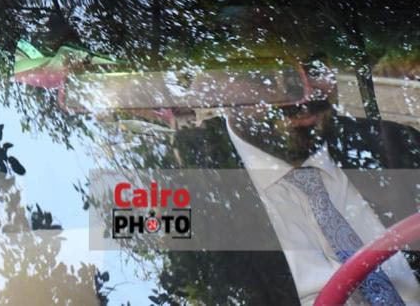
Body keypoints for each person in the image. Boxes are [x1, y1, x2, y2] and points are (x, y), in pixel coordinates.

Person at [159, 64, 420, 304]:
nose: (303, 94)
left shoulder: (398, 144)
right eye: (263, 75)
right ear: (217, 87)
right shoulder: (191, 198)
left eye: (315, 68)